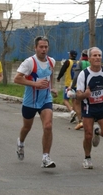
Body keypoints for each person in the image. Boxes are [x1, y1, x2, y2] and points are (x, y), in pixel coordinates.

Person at [14, 36, 58, 168]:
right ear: (36, 48)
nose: (44, 49)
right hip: (30, 101)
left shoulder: (52, 61)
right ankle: (20, 142)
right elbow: (17, 79)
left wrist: (51, 87)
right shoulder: (29, 62)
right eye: (41, 47)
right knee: (27, 127)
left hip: (45, 99)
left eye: (46, 47)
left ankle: (46, 158)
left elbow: (50, 76)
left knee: (48, 126)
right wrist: (35, 84)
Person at [76, 47, 103, 169]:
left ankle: (98, 132)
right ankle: (87, 157)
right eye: (95, 55)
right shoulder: (84, 74)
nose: (97, 58)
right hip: (89, 108)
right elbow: (78, 95)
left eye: (99, 55)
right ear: (89, 58)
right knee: (88, 135)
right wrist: (85, 95)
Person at [69, 49, 90, 130]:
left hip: (81, 86)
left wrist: (72, 85)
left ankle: (80, 121)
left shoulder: (80, 63)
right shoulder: (91, 63)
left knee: (77, 102)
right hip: (90, 87)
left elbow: (76, 76)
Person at [57, 50, 77, 123]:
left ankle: (72, 111)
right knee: (74, 100)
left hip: (68, 84)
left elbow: (63, 70)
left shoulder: (68, 62)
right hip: (76, 84)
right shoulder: (78, 62)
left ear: (70, 55)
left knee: (65, 100)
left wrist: (59, 77)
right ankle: (74, 115)